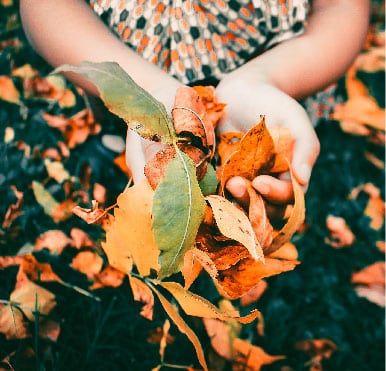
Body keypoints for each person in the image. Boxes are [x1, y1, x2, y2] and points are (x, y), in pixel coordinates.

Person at [19, 0, 370, 212]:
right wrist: (146, 92)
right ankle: (118, 140)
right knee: (138, 135)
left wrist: (268, 81)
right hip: (128, 59)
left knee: (261, 158)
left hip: (279, 67)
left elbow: (340, 7)